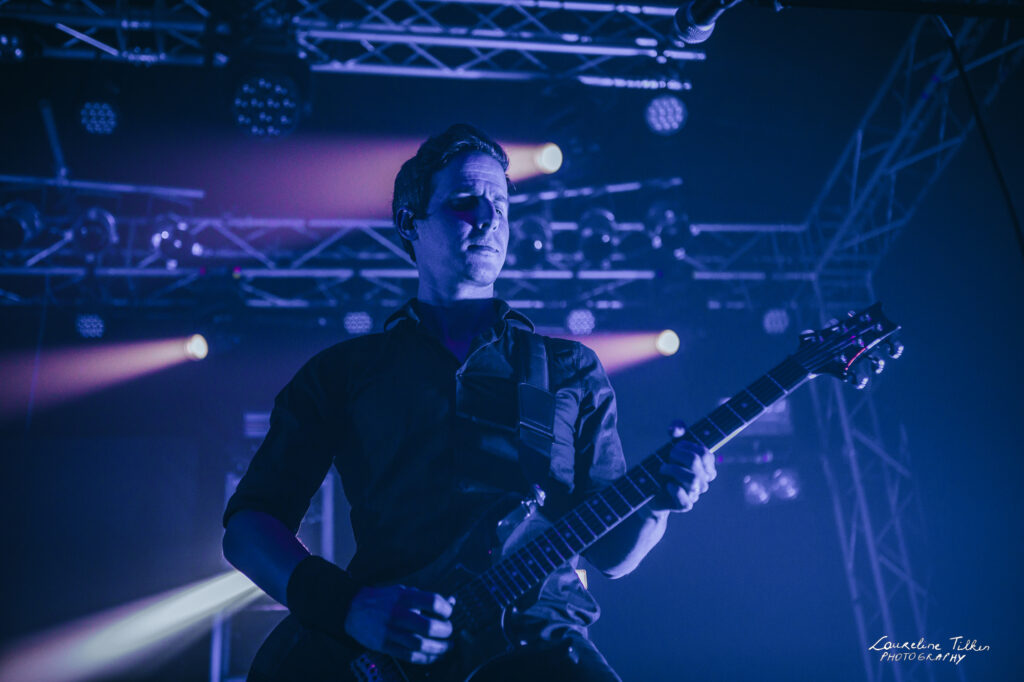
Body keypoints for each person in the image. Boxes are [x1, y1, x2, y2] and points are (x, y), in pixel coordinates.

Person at [222, 123, 716, 681]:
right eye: (464, 202)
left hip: (544, 646)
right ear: (410, 222)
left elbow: (613, 555)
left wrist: (660, 504)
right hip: (394, 649)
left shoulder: (570, 368)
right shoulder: (345, 372)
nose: (488, 219)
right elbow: (248, 527)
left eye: (500, 206)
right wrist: (349, 606)